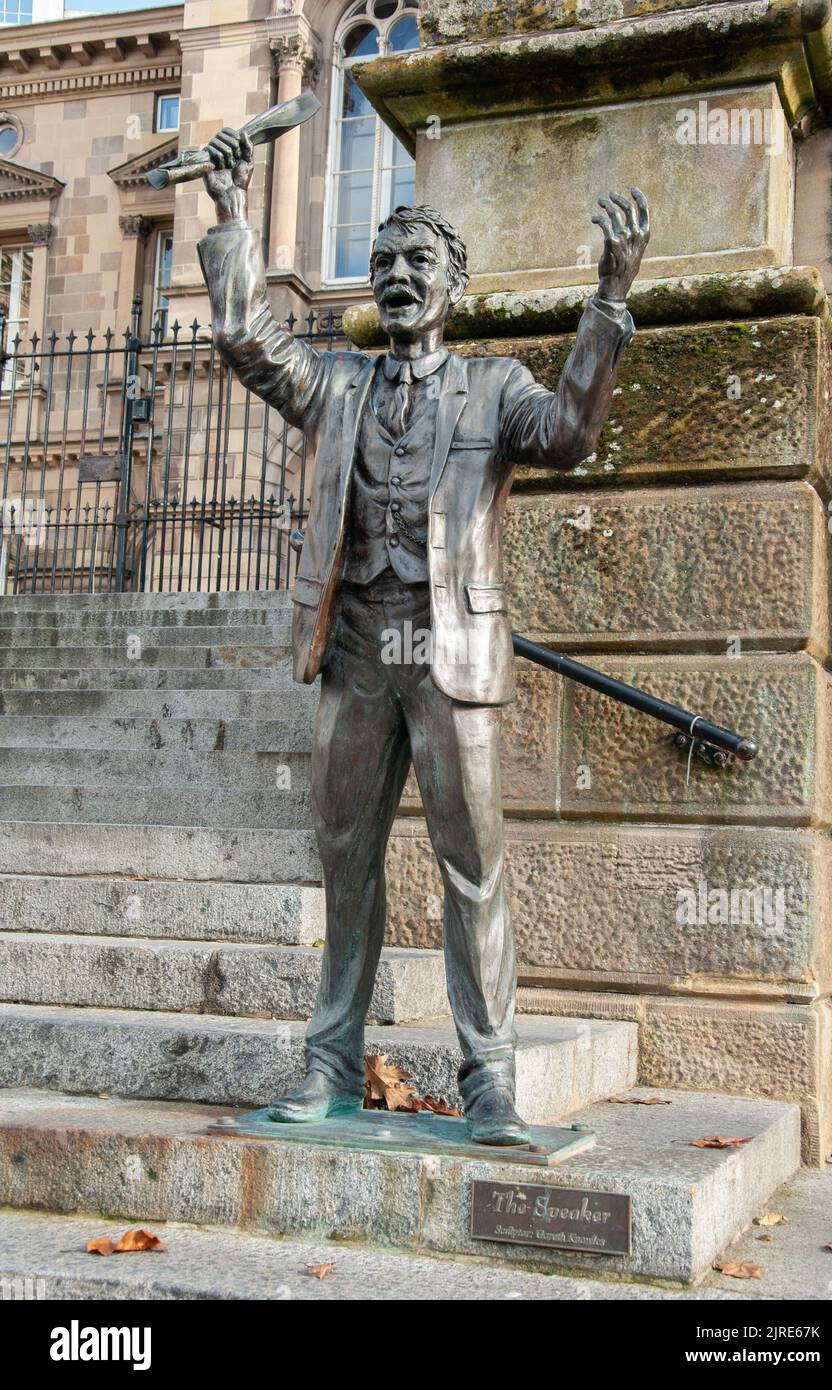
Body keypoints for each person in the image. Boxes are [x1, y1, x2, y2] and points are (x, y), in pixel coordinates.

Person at [198, 125, 649, 1143]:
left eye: (420, 263)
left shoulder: (498, 386)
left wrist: (610, 301)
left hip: (451, 656)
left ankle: (489, 1080)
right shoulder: (336, 385)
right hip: (355, 645)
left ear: (454, 280)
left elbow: (571, 436)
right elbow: (245, 343)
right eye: (385, 264)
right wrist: (232, 220)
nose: (400, 278)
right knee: (345, 856)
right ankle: (329, 1065)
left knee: (471, 866)